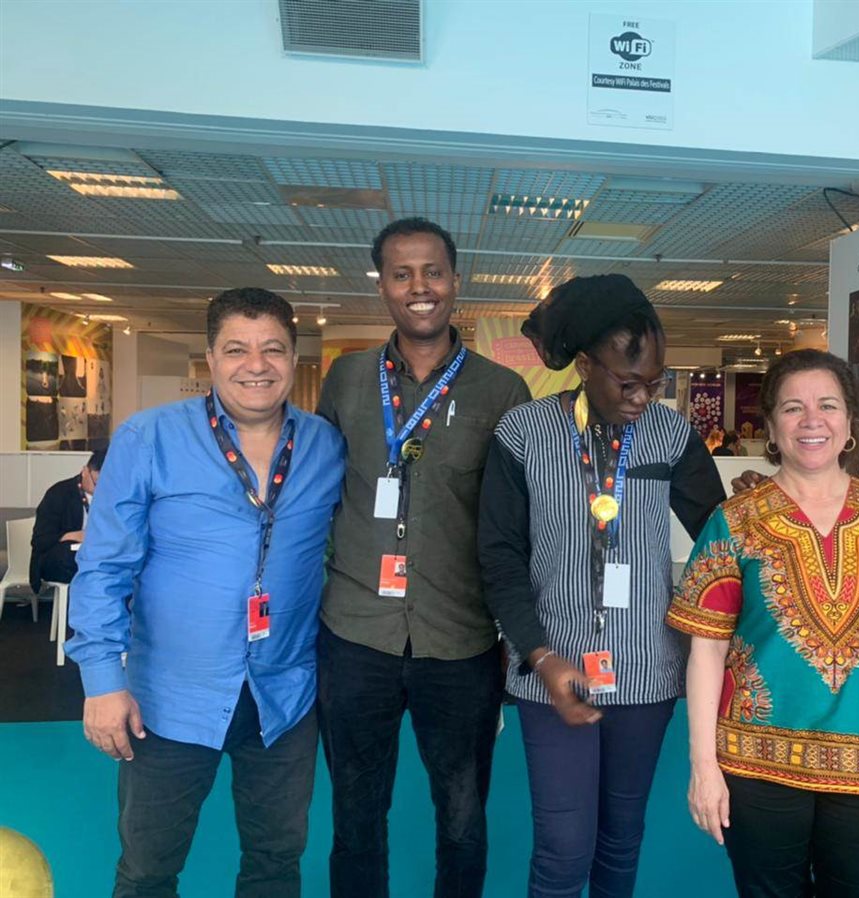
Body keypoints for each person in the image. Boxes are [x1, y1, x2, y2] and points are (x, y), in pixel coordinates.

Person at [65, 288, 346, 898]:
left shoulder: (325, 446)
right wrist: (101, 681)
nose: (256, 365)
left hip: (285, 696)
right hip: (169, 700)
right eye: (237, 349)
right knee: (148, 869)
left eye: (273, 349)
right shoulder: (150, 438)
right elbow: (104, 566)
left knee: (276, 862)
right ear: (212, 358)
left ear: (293, 357)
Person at [478, 274, 725, 898]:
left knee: (620, 840)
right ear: (585, 366)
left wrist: (763, 507)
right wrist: (540, 655)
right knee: (563, 849)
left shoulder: (672, 435)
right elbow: (500, 557)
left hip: (645, 672)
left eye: (655, 382)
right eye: (627, 382)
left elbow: (719, 537)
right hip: (552, 670)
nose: (643, 397)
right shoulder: (523, 434)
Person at [316, 217, 531, 898]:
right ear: (382, 285)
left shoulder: (503, 392)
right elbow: (319, 492)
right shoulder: (345, 379)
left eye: (433, 271)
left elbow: (516, 526)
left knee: (462, 821)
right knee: (355, 819)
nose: (420, 286)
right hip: (355, 634)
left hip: (460, 640)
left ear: (456, 281)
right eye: (402, 273)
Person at [668, 349, 859, 898]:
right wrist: (703, 766)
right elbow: (706, 649)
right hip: (757, 765)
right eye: (792, 408)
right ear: (771, 427)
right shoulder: (734, 521)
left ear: (849, 423)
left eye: (827, 405)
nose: (812, 421)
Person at [30, 447, 105, 592]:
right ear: (85, 471)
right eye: (96, 483)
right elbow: (40, 540)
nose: (100, 490)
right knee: (72, 558)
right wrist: (73, 536)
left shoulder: (111, 497)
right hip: (59, 557)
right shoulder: (59, 493)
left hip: (97, 553)